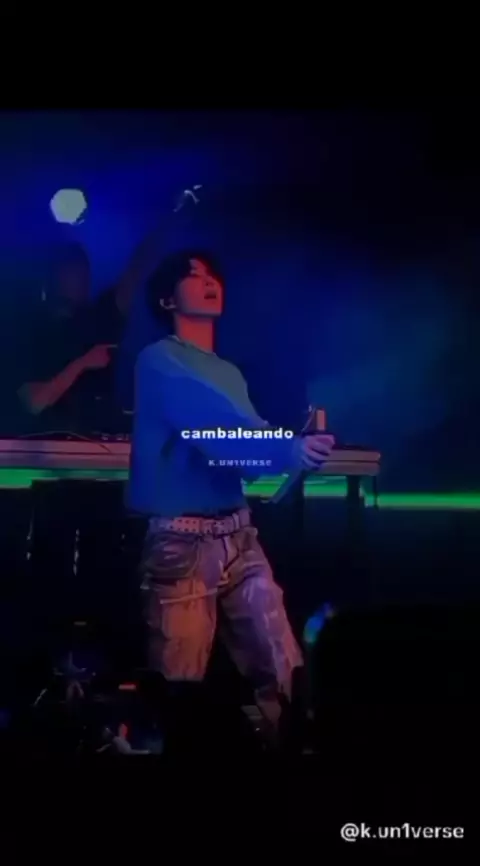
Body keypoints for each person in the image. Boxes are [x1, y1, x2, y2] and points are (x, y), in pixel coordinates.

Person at [127, 250, 335, 742]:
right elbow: (214, 428)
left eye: (211, 274)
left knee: (283, 670)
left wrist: (291, 450)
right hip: (182, 540)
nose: (208, 281)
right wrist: (286, 449)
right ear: (166, 299)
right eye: (192, 275)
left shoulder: (227, 372)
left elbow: (243, 444)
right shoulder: (158, 359)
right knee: (177, 688)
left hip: (239, 534)